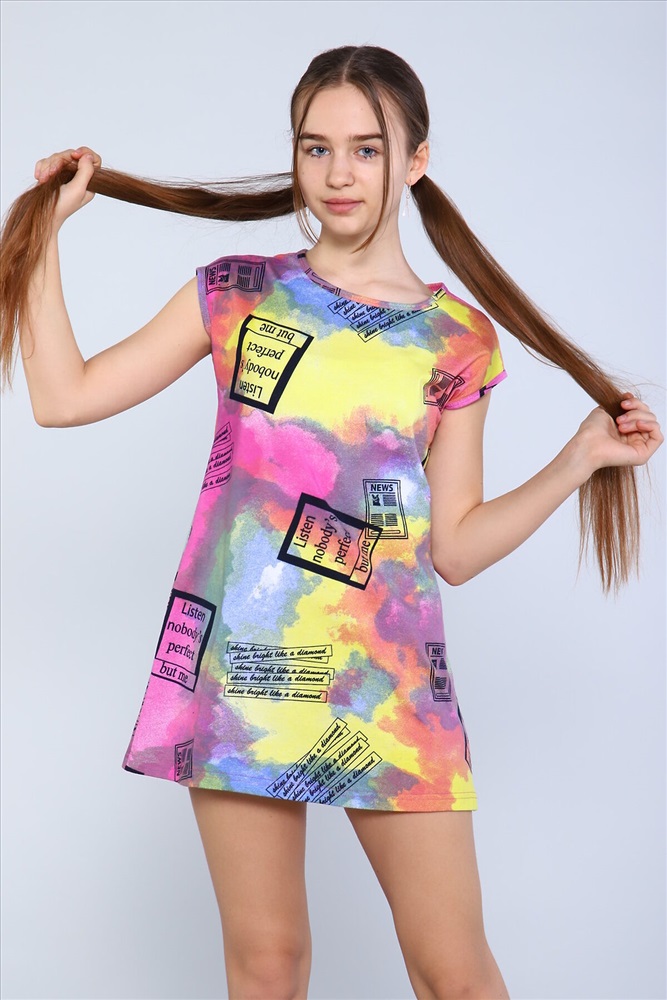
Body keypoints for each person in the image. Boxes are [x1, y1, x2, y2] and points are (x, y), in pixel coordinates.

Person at [1, 44, 662, 1000]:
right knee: (268, 966)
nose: (338, 174)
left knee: (455, 974)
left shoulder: (456, 338)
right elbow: (63, 397)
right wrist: (44, 230)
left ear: (415, 160)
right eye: (316, 148)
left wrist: (577, 460)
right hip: (241, 669)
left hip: (387, 686)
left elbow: (454, 548)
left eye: (366, 148)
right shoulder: (238, 290)